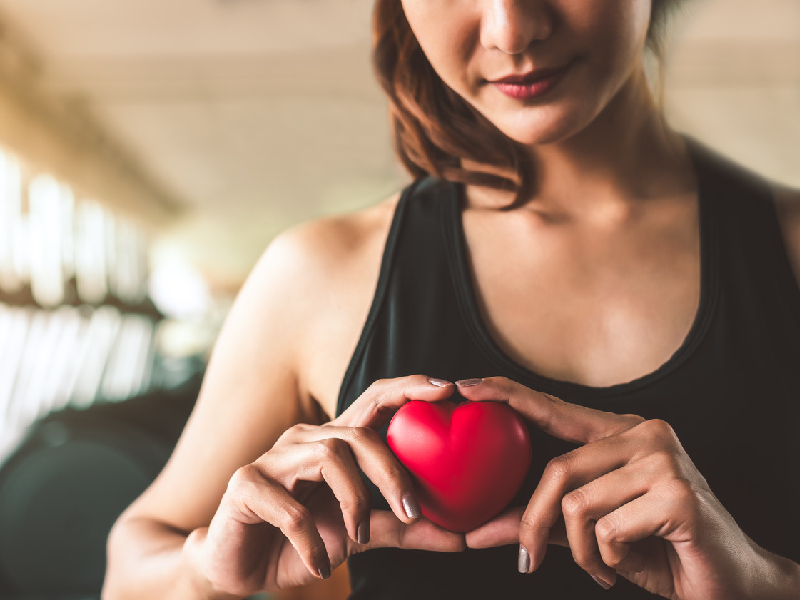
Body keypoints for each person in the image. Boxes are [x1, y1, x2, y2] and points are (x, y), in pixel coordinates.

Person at [102, 0, 800, 598]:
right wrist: (205, 571)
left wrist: (763, 582)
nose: (511, 30)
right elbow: (130, 567)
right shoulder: (321, 276)